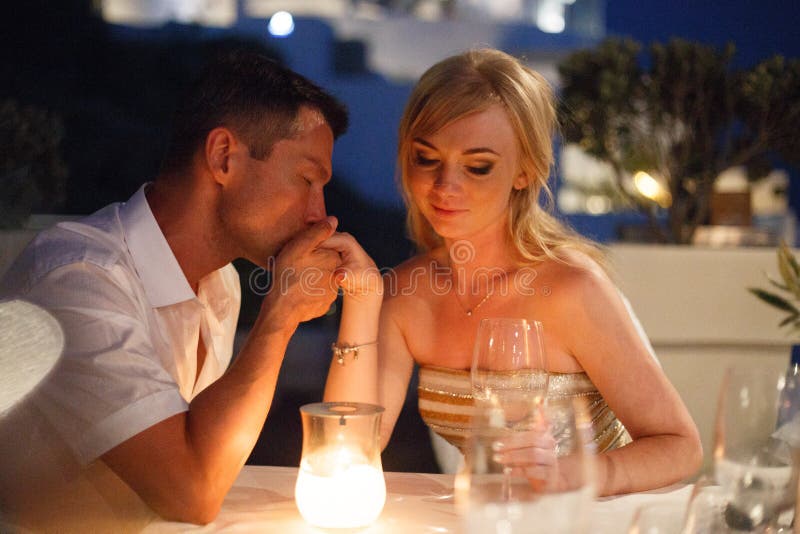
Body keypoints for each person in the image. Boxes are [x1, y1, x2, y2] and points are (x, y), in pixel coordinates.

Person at [0, 50, 381, 531]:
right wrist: (278, 320)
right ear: (223, 157)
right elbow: (191, 493)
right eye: (307, 179)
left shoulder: (219, 285)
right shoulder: (77, 281)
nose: (320, 215)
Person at [324, 48, 702, 496]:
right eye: (427, 159)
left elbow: (681, 447)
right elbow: (348, 449)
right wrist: (363, 303)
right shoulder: (406, 294)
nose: (445, 185)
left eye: (478, 166)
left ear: (525, 171)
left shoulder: (570, 290)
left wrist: (569, 476)